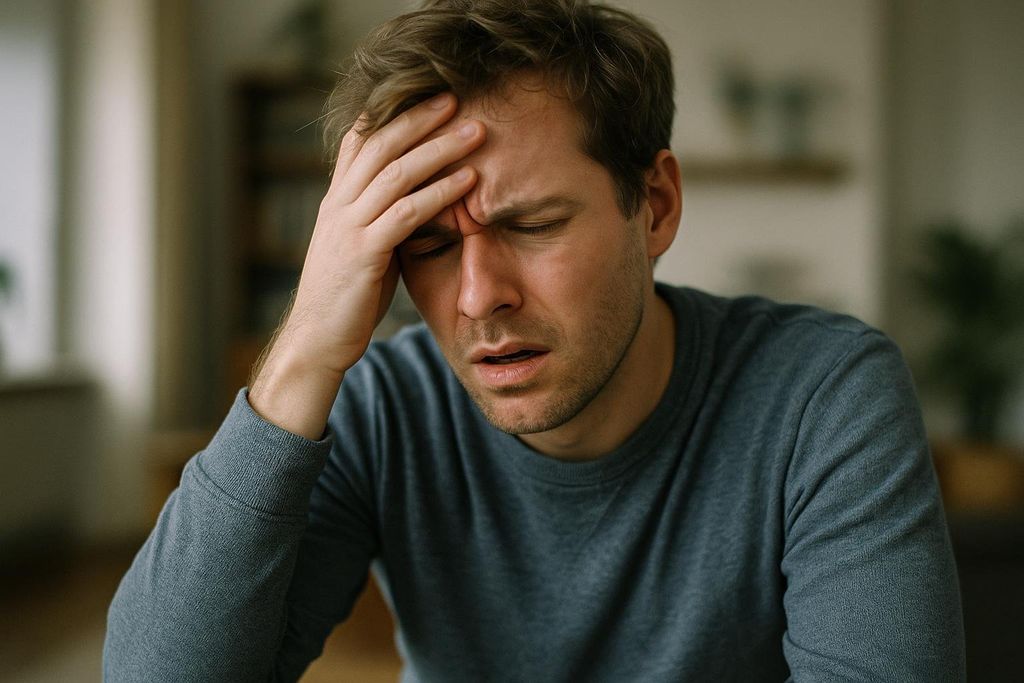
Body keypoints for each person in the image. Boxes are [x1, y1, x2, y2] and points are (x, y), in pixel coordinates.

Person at [104, 0, 965, 680]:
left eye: (533, 224)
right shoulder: (380, 408)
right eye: (430, 246)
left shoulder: (825, 393)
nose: (479, 296)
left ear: (655, 204)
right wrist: (303, 355)